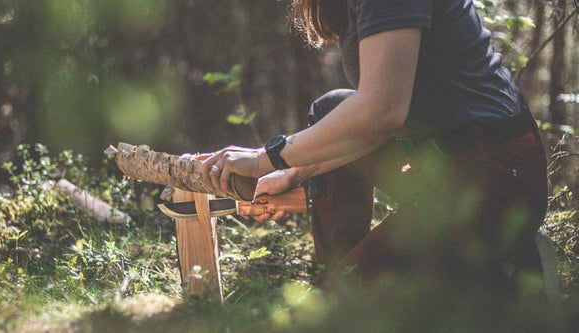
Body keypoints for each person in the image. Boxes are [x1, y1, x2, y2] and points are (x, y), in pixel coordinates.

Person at [201, 0, 548, 293]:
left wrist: (268, 158)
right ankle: (343, 273)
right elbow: (374, 123)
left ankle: (496, 279)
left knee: (332, 315)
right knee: (332, 107)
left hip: (491, 172)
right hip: (436, 165)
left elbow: (381, 112)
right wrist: (293, 172)